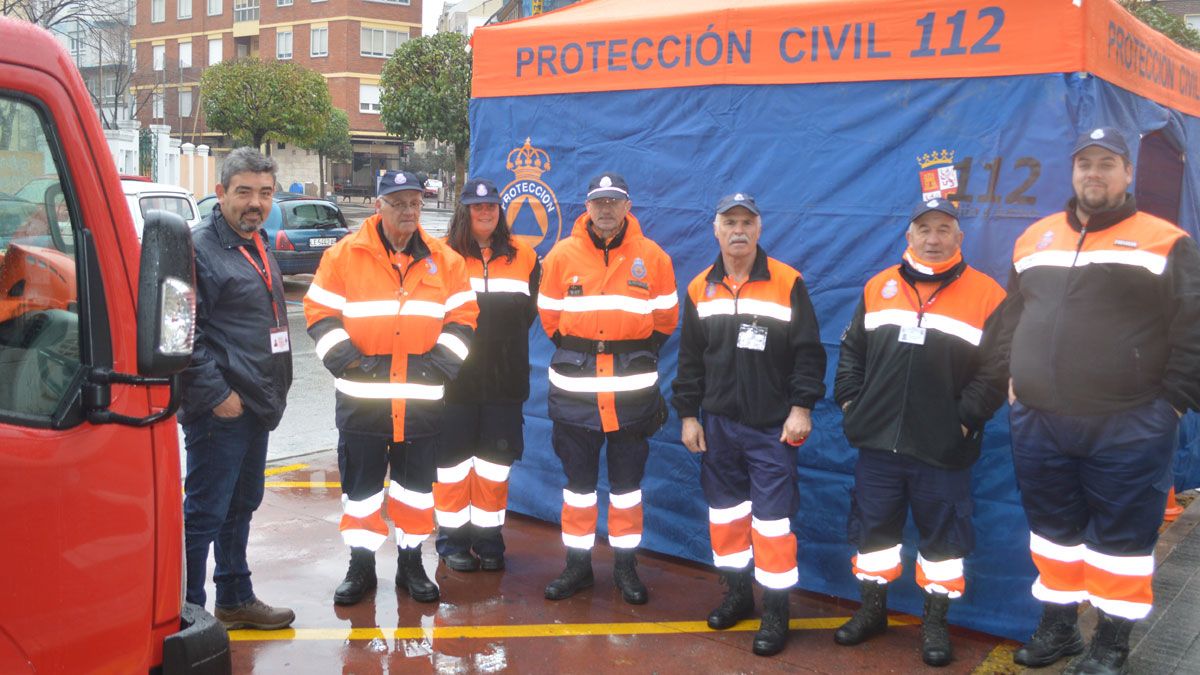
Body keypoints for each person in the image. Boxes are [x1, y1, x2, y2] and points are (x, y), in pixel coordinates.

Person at [991, 127, 1200, 674]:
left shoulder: (1164, 241)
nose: (1095, 174)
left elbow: (1193, 328)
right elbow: (1012, 315)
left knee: (1121, 543)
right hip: (1040, 422)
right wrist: (1012, 374)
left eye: (1108, 164)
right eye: (1086, 164)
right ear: (1073, 171)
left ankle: (1111, 642)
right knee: (1052, 534)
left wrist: (1172, 404)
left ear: (1128, 174)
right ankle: (1060, 630)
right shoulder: (1035, 238)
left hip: (1128, 424)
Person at [832, 198, 1006, 667]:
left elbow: (996, 372)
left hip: (943, 450)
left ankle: (934, 624)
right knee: (873, 537)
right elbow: (851, 354)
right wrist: (852, 405)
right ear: (908, 236)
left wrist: (962, 421)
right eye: (924, 229)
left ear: (959, 238)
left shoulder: (988, 294)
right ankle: (872, 613)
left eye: (943, 229)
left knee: (944, 545)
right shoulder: (878, 287)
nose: (933, 239)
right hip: (878, 447)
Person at [304, 170, 478, 606]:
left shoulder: (447, 261)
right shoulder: (344, 256)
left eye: (414, 203)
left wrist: (436, 367)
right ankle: (360, 567)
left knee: (415, 490)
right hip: (363, 403)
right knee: (361, 492)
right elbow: (319, 315)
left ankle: (411, 564)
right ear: (378, 205)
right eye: (398, 202)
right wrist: (352, 363)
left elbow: (464, 321)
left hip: (420, 403)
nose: (408, 211)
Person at [671, 193, 826, 656]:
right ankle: (738, 596)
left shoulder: (787, 282)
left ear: (759, 230)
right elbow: (689, 360)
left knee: (773, 525)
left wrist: (802, 408)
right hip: (717, 427)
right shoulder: (701, 287)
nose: (738, 230)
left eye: (747, 222)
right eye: (729, 222)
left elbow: (809, 353)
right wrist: (688, 415)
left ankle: (776, 612)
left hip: (770, 429)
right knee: (726, 519)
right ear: (715, 230)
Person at [537, 172, 678, 605]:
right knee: (577, 490)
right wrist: (587, 351)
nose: (606, 209)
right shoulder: (561, 256)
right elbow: (549, 319)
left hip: (631, 400)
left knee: (626, 489)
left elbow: (665, 322)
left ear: (627, 206)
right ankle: (577, 568)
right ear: (587, 205)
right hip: (575, 397)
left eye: (614, 201)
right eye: (599, 201)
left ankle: (625, 568)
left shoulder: (654, 258)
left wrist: (626, 354)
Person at [179, 147, 295, 630]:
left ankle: (234, 597)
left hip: (257, 404)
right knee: (204, 513)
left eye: (265, 193)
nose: (255, 202)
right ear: (221, 192)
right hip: (223, 408)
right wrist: (217, 397)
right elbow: (183, 332)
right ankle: (187, 611)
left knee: (241, 504)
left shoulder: (256, 240)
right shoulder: (199, 248)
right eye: (244, 191)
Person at [433, 178, 541, 572]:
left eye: (491, 207)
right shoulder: (441, 255)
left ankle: (489, 539)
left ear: (500, 212)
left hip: (504, 383)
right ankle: (452, 541)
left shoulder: (525, 257)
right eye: (477, 207)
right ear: (464, 210)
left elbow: (529, 313)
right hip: (453, 383)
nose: (484, 213)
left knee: (494, 466)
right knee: (452, 466)